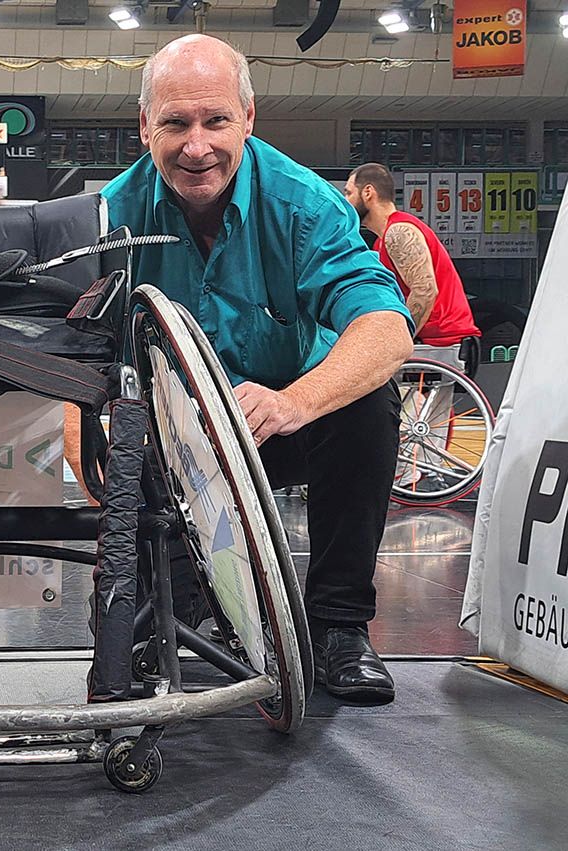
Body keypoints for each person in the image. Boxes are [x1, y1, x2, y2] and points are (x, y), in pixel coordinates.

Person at [100, 35, 414, 702]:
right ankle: (177, 599)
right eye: (175, 123)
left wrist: (293, 402)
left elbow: (387, 330)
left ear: (248, 118)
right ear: (143, 126)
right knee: (159, 644)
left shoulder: (306, 206)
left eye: (215, 121)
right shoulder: (110, 219)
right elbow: (75, 360)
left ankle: (337, 626)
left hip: (280, 428)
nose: (197, 146)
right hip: (172, 448)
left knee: (368, 401)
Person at [344, 163, 481, 363]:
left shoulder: (398, 232)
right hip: (433, 344)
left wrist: (397, 342)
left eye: (348, 193)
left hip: (438, 345)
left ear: (368, 192)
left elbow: (425, 290)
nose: (345, 201)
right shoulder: (381, 241)